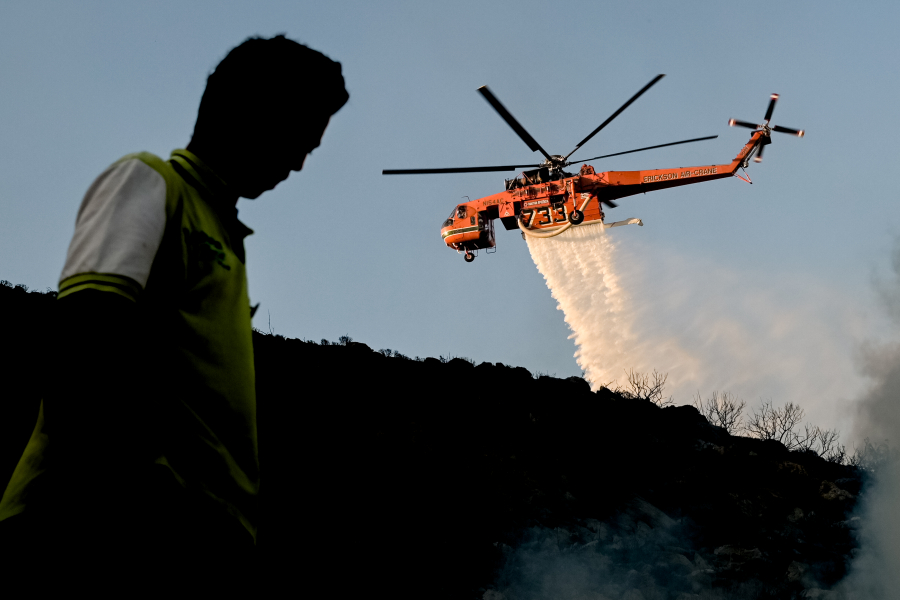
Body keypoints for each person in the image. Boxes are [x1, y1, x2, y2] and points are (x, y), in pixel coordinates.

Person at [0, 34, 348, 592]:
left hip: (194, 541)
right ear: (250, 113)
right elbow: (84, 342)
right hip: (105, 531)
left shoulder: (225, 237)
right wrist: (140, 498)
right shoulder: (150, 183)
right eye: (298, 138)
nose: (300, 164)